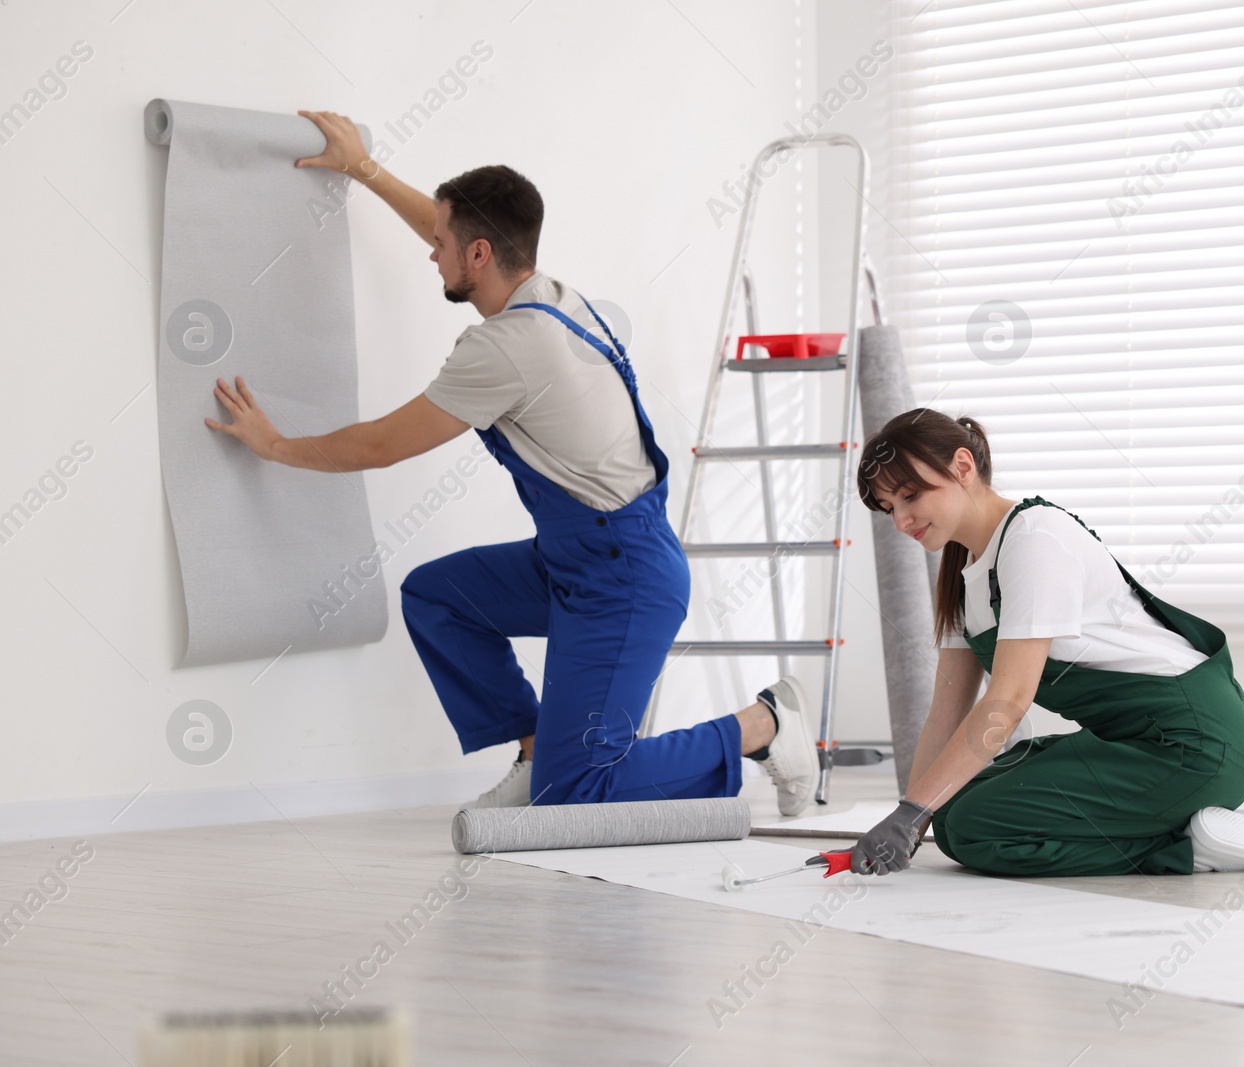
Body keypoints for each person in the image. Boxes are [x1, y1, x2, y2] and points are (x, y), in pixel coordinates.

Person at [203, 109, 818, 815]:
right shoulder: (561, 298)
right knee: (437, 597)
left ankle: (762, 726)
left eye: (440, 244)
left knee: (579, 788)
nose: (430, 253)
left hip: (624, 577)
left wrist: (274, 445)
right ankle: (534, 754)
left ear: (479, 256)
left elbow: (379, 445)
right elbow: (459, 233)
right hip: (577, 558)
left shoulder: (504, 350)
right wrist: (364, 169)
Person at [847, 409, 1244, 877]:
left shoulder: (1034, 537)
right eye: (889, 508)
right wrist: (912, 816)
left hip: (1193, 744)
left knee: (974, 828)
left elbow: (1007, 703)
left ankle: (1192, 846)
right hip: (1127, 742)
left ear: (963, 468)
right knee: (950, 811)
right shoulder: (961, 573)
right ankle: (1180, 823)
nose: (902, 520)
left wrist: (910, 813)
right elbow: (945, 713)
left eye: (911, 495)